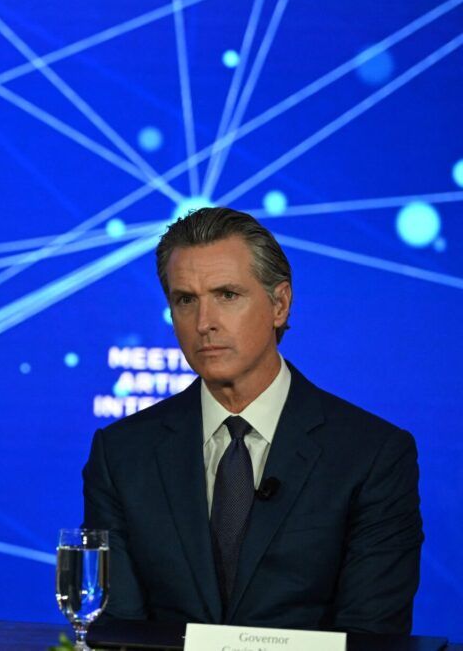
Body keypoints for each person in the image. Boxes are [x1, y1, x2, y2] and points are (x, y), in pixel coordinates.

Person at [83, 207, 422, 633]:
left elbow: (372, 636)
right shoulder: (121, 455)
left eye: (227, 295)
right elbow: (121, 633)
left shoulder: (371, 456)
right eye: (185, 300)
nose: (204, 323)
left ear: (279, 304)